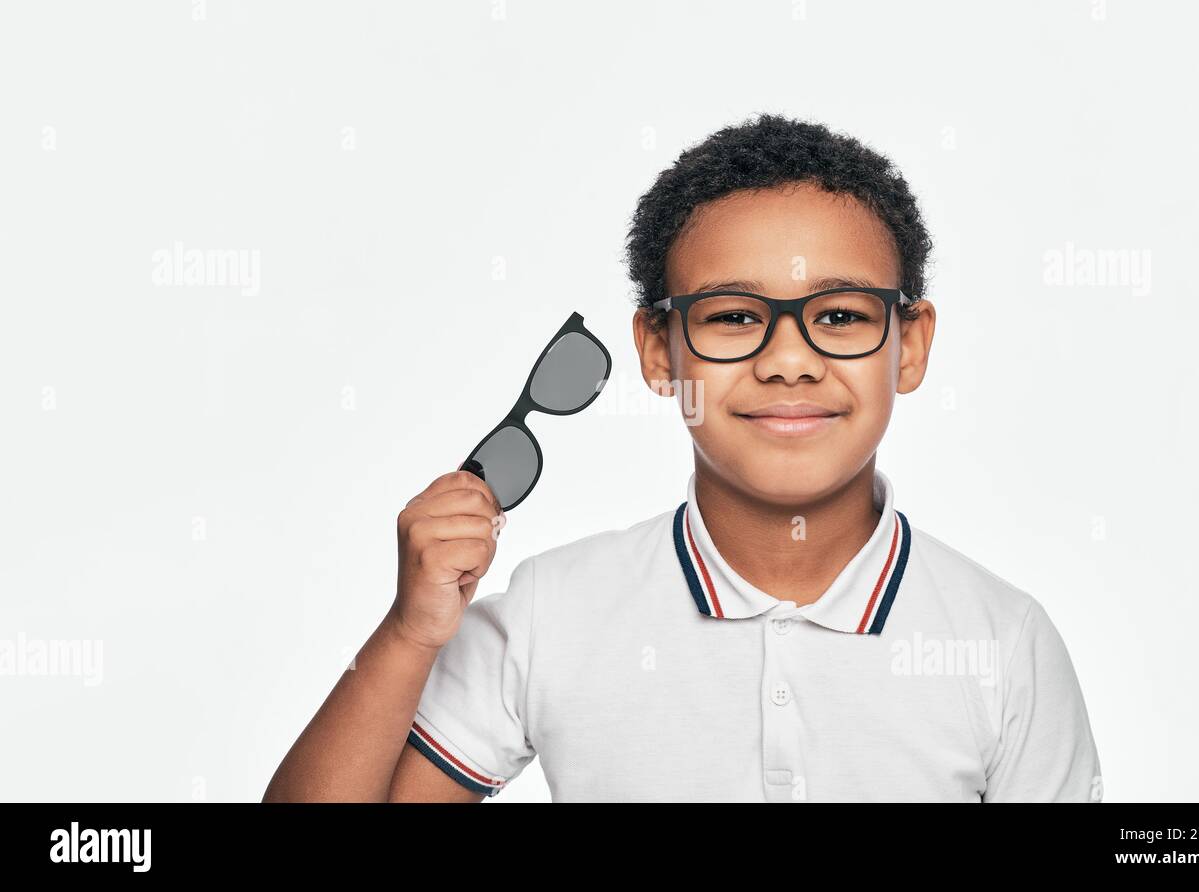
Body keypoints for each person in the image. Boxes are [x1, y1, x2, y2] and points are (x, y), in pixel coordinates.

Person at [264, 112, 1102, 803]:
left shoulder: (1003, 643)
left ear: (910, 346)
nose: (788, 360)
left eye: (841, 316)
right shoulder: (554, 614)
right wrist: (411, 634)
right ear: (659, 353)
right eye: (734, 317)